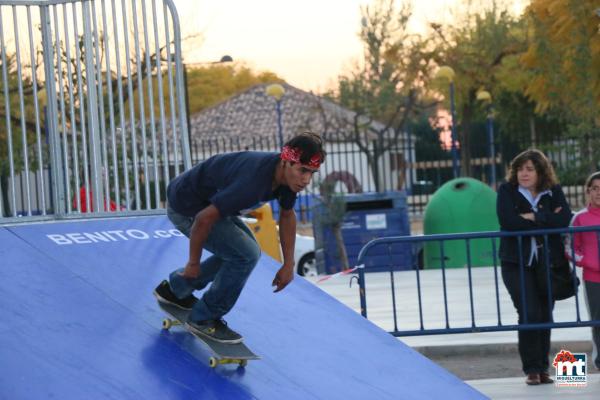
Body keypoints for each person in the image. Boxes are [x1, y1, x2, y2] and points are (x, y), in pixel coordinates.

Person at [154, 132, 326, 344]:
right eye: (302, 171)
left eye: (312, 173)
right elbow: (202, 220)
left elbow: (287, 214)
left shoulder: (287, 180)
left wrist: (288, 263)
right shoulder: (253, 183)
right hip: (186, 208)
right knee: (245, 255)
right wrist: (193, 263)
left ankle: (175, 290)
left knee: (243, 252)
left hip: (207, 204)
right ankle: (204, 318)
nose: (306, 180)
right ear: (285, 162)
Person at [496, 149, 572, 385]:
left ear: (541, 171)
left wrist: (533, 217)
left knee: (545, 314)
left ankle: (543, 368)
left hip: (547, 263)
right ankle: (531, 369)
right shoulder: (507, 190)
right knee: (529, 312)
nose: (523, 173)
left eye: (529, 169)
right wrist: (544, 219)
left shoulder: (553, 191)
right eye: (520, 169)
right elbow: (508, 221)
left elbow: (564, 219)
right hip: (516, 263)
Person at [569, 171, 600, 371]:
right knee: (598, 321)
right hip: (593, 279)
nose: (599, 193)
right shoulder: (579, 218)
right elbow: (569, 247)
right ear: (588, 192)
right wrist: (587, 261)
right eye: (595, 189)